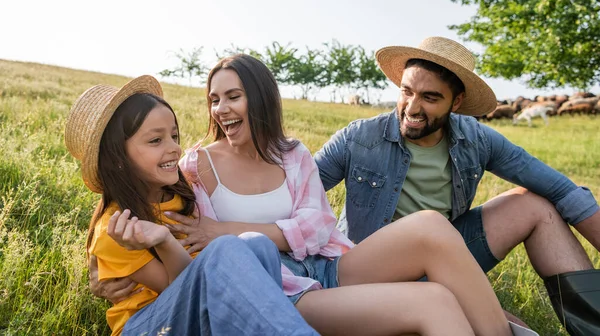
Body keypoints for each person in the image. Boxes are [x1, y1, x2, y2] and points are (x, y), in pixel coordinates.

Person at [165, 54, 535, 335]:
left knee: (432, 226)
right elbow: (182, 240)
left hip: (330, 265)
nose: (221, 109)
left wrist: (226, 228)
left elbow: (316, 227)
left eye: (233, 96)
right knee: (435, 300)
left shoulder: (292, 154)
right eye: (214, 99)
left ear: (260, 99)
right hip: (282, 290)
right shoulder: (196, 167)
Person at [312, 37, 600, 335]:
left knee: (535, 205)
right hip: (372, 270)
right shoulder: (358, 138)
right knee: (512, 327)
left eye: (430, 98)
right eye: (406, 92)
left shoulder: (478, 139)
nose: (412, 107)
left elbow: (562, 190)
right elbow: (296, 193)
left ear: (457, 102)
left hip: (443, 257)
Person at [64, 76, 319, 336]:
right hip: (150, 325)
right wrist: (165, 240)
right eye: (156, 141)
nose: (175, 148)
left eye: (174, 136)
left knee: (258, 244)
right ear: (118, 158)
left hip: (195, 309)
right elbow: (180, 286)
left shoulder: (178, 194)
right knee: (227, 248)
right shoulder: (118, 229)